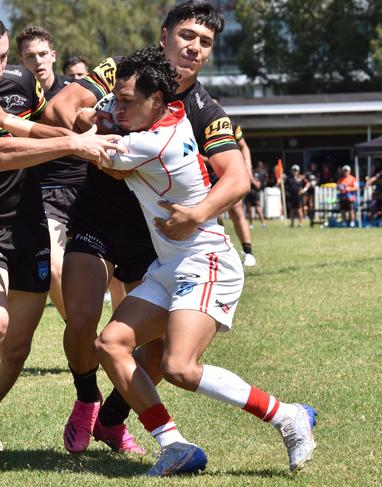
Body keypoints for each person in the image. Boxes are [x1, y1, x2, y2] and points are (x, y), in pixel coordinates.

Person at [93, 46, 317, 477]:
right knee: (111, 344)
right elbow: (108, 141)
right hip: (171, 264)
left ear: (155, 101)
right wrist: (103, 114)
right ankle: (174, 445)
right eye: (116, 98)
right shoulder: (162, 112)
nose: (117, 107)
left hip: (207, 261)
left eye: (125, 102)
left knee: (178, 366)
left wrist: (9, 125)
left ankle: (289, 415)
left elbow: (97, 154)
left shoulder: (154, 142)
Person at [42, 0, 250, 455]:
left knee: (153, 346)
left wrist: (197, 213)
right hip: (96, 215)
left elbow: (236, 176)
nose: (194, 48)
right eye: (186, 36)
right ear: (164, 35)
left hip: (156, 236)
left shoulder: (205, 108)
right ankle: (85, 400)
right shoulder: (124, 71)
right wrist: (87, 122)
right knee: (81, 317)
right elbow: (62, 107)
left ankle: (114, 420)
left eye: (205, 43)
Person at [0, 10, 120, 476]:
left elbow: (34, 131)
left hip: (30, 228)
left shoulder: (18, 80)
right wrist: (74, 145)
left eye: (2, 56)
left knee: (17, 347)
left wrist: (83, 136)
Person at [16, 25, 86, 321]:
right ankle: (81, 335)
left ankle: (124, 344)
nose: (38, 61)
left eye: (43, 54)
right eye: (30, 56)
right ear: (20, 60)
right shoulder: (12, 96)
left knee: (119, 274)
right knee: (55, 268)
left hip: (87, 190)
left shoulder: (74, 92)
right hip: (44, 195)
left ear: (54, 56)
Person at [211, 98, 257, 266]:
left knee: (237, 212)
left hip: (226, 174)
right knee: (211, 216)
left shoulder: (229, 125)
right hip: (205, 176)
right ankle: (223, 250)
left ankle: (248, 252)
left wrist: (247, 167)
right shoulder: (193, 125)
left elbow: (244, 146)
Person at [246, 161, 267, 228]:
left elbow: (258, 185)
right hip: (249, 193)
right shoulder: (252, 172)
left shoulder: (261, 174)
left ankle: (263, 223)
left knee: (258, 209)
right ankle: (251, 224)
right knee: (250, 210)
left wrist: (253, 181)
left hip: (255, 194)